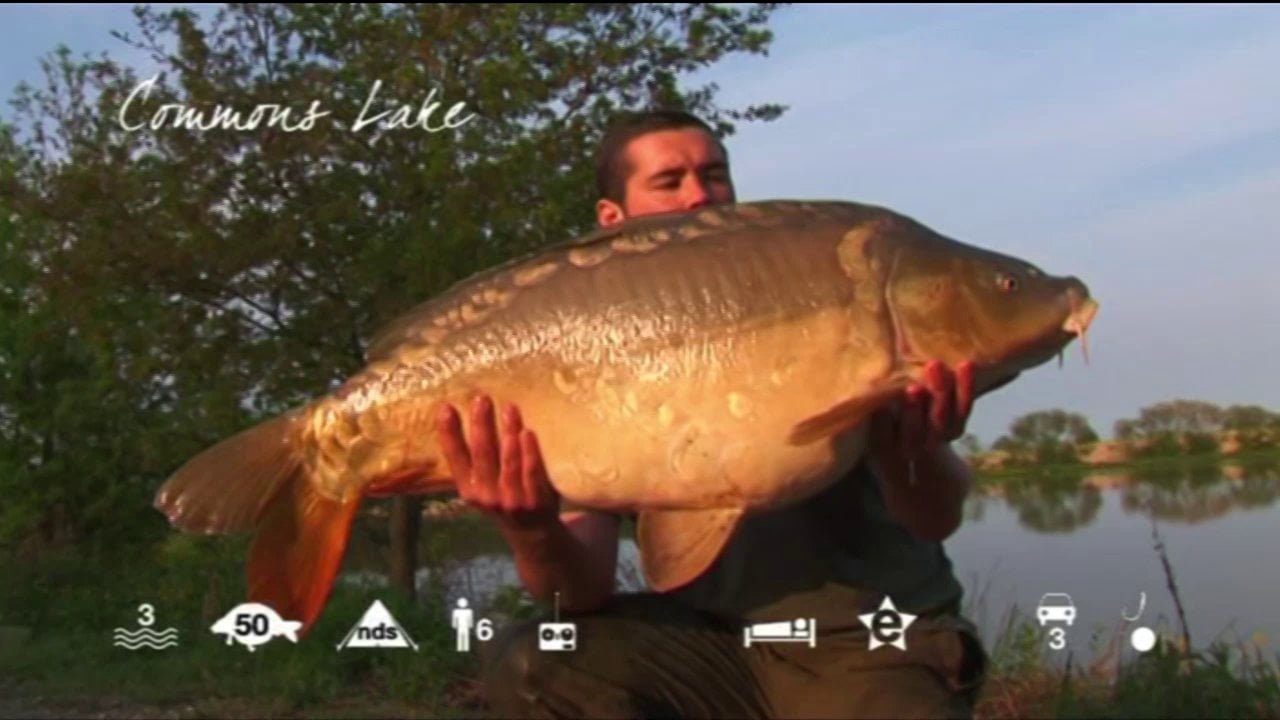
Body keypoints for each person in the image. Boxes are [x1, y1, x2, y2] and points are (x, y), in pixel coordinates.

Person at [434, 109, 989, 719]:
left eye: (714, 174)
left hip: (868, 644)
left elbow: (936, 518)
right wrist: (530, 527)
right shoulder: (592, 348)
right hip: (712, 650)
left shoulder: (819, 285)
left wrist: (910, 448)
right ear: (611, 221)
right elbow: (581, 591)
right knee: (538, 661)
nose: (700, 193)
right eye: (669, 181)